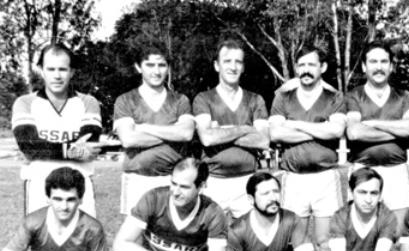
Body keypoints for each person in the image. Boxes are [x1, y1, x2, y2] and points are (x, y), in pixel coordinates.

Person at [269, 45, 346, 251]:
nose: (305, 70)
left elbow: (336, 130)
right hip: (293, 178)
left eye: (311, 65)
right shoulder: (283, 97)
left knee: (326, 241)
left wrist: (296, 126)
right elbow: (275, 133)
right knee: (296, 241)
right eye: (301, 65)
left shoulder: (334, 97)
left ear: (322, 67)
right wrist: (317, 130)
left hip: (325, 177)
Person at [12, 43, 102, 216]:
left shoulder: (88, 102)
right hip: (40, 186)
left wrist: (48, 147)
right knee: (42, 241)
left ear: (72, 71)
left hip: (79, 186)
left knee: (83, 241)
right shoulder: (25, 103)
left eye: (63, 69)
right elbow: (30, 147)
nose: (57, 76)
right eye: (51, 69)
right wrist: (69, 149)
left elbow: (89, 144)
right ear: (41, 70)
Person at [345, 41, 409, 227]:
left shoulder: (403, 96)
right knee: (361, 235)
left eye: (384, 61)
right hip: (362, 170)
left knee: (400, 233)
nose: (378, 67)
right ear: (364, 66)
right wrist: (398, 131)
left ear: (391, 66)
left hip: (397, 171)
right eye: (373, 62)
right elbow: (355, 132)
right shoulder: (353, 95)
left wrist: (373, 124)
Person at [113, 43, 195, 214]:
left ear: (168, 68)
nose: (156, 72)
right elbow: (129, 139)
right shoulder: (125, 100)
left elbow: (186, 133)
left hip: (174, 181)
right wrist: (172, 131)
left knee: (171, 236)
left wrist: (144, 128)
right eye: (150, 65)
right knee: (135, 238)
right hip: (137, 179)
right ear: (138, 67)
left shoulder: (180, 100)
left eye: (162, 65)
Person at [193, 39, 270, 219]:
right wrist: (246, 129)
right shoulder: (203, 99)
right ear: (217, 65)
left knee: (248, 242)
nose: (233, 67)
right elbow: (207, 138)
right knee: (211, 241)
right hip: (213, 182)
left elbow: (263, 141)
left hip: (247, 181)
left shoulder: (255, 100)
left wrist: (222, 131)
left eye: (238, 62)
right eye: (227, 61)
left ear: (243, 67)